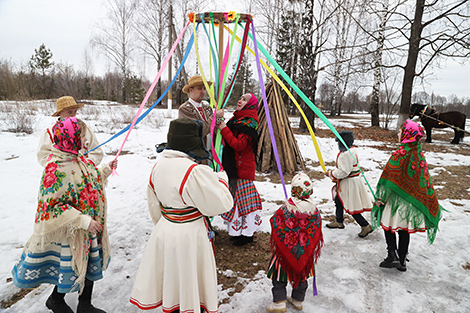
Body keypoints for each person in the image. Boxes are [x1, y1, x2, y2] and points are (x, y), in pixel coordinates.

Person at [12, 117, 117, 313]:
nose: (86, 140)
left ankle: (85, 304)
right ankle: (55, 300)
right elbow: (51, 207)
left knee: (89, 264)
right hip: (74, 230)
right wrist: (83, 221)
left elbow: (89, 180)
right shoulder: (56, 167)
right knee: (71, 267)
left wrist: (105, 170)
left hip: (90, 226)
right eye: (82, 135)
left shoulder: (79, 158)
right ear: (70, 138)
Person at [130, 118, 233, 313]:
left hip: (165, 230)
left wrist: (166, 224)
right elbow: (221, 204)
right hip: (190, 235)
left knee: (173, 277)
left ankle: (176, 305)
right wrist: (220, 180)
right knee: (189, 276)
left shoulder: (157, 167)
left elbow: (154, 204)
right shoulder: (194, 172)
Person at [372, 119, 443, 272]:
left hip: (396, 200)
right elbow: (422, 179)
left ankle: (392, 254)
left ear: (407, 134)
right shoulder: (418, 154)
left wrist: (381, 199)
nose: (398, 134)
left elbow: (391, 177)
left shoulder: (401, 154)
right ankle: (402, 260)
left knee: (388, 225)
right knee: (403, 230)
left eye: (400, 131)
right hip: (410, 203)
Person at [266, 173, 323, 313]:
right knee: (302, 277)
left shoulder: (285, 209)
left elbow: (275, 222)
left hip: (283, 255)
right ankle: (298, 300)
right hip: (303, 254)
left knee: (279, 278)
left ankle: (279, 303)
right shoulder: (314, 211)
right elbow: (316, 230)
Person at [217, 93, 263, 246]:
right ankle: (237, 232)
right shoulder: (236, 120)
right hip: (234, 167)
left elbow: (239, 145)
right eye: (240, 97)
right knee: (235, 201)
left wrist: (223, 128)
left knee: (246, 203)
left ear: (250, 105)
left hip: (243, 168)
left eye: (244, 99)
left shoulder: (249, 123)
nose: (239, 100)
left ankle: (247, 234)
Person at [325, 130, 373, 238]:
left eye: (339, 142)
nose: (337, 145)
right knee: (339, 200)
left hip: (349, 183)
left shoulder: (345, 155)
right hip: (351, 181)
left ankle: (365, 225)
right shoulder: (352, 150)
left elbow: (344, 172)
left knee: (351, 205)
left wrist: (331, 173)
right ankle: (339, 221)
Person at [37, 96, 104, 167]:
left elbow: (97, 152)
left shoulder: (85, 129)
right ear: (60, 113)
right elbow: (43, 156)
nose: (73, 115)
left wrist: (85, 166)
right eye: (69, 112)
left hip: (85, 173)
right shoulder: (50, 132)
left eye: (75, 111)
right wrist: (61, 166)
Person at [178, 75, 224, 148]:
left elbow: (214, 126)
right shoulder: (185, 109)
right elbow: (198, 131)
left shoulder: (206, 107)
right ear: (190, 90)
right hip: (196, 153)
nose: (203, 92)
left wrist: (219, 119)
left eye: (205, 88)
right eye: (199, 89)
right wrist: (215, 117)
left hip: (212, 151)